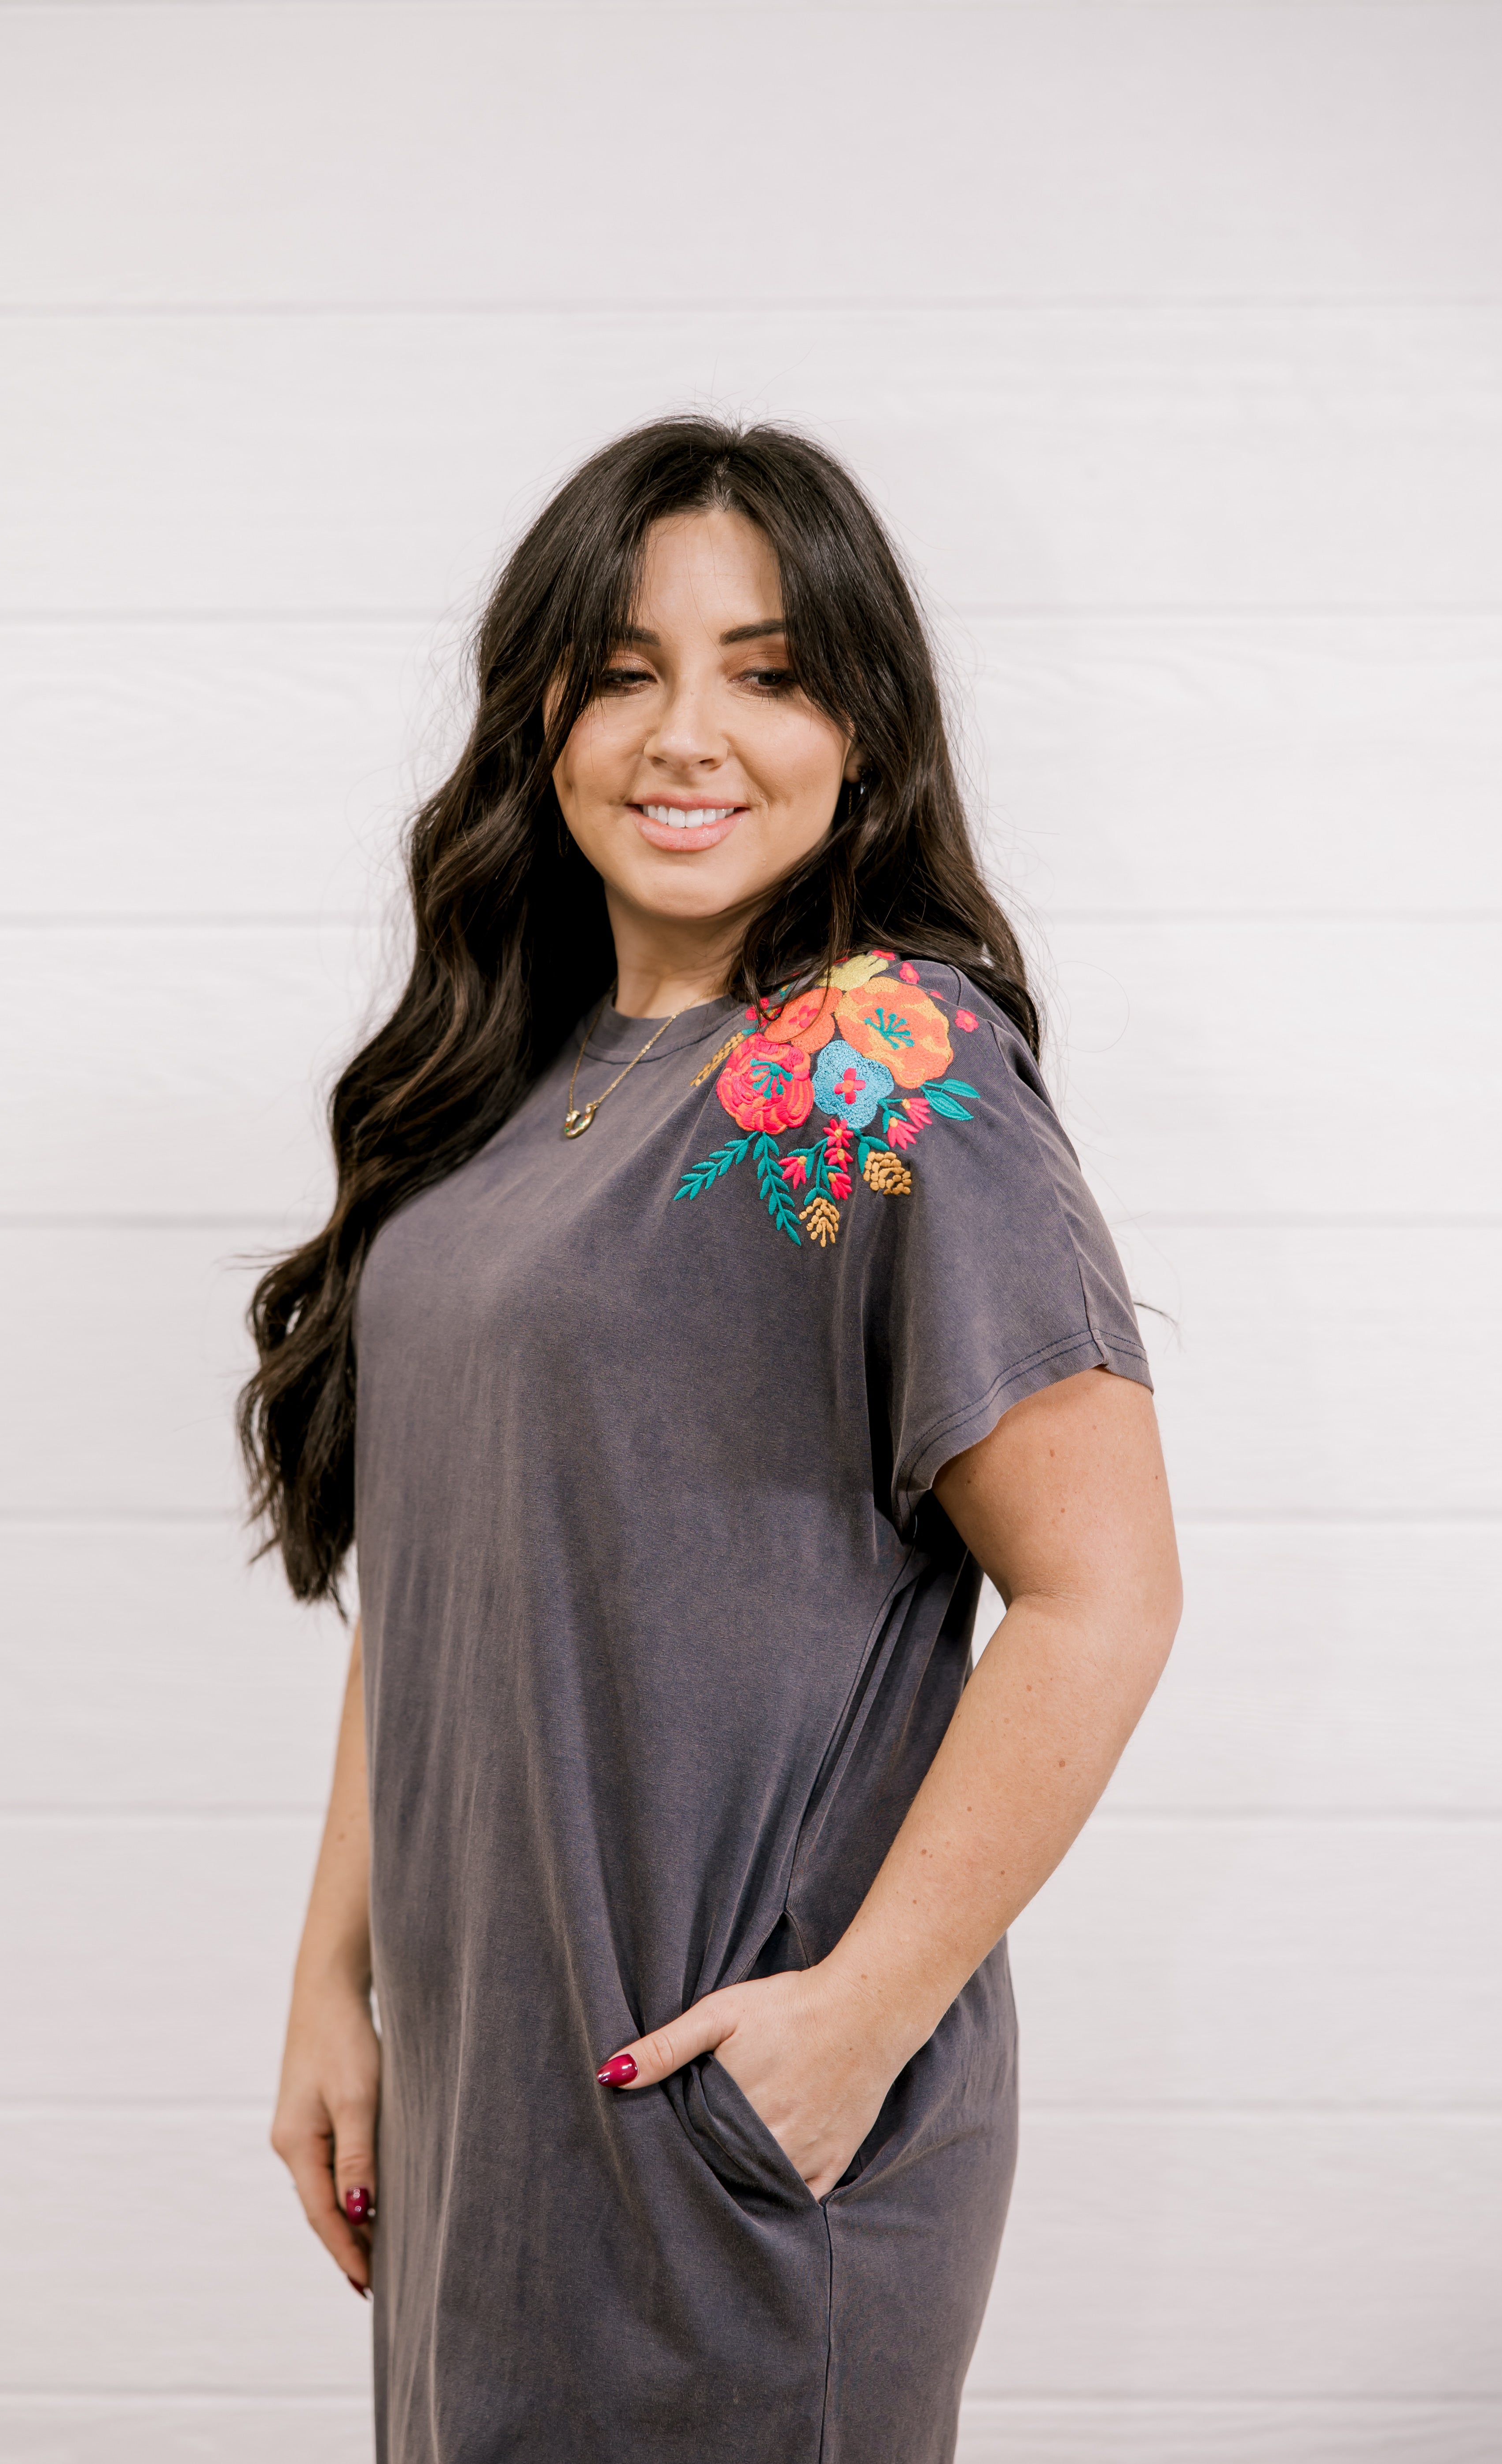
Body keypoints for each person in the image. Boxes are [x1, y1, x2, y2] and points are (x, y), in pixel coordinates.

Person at [243, 417, 1182, 2463]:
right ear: (541, 715)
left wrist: (852, 2023)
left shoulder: (884, 1064)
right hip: (494, 2110)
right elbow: (438, 1581)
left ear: (865, 725)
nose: (690, 734)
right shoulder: (502, 1091)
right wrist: (339, 1978)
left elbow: (1103, 1589)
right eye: (625, 668)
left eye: (767, 670)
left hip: (725, 2135)